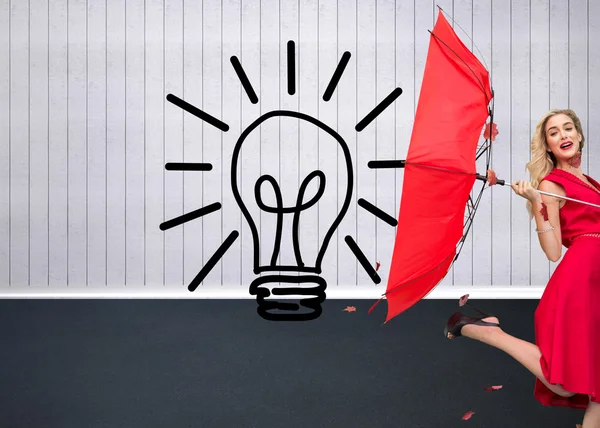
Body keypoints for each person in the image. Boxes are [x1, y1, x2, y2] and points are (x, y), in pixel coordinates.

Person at [443, 109, 600, 427]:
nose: (563, 135)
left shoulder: (592, 184)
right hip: (583, 279)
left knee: (593, 387)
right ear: (549, 147)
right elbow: (554, 251)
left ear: (580, 135)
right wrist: (537, 202)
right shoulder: (551, 184)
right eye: (554, 133)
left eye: (568, 128)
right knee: (569, 385)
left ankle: (486, 329)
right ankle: (490, 332)